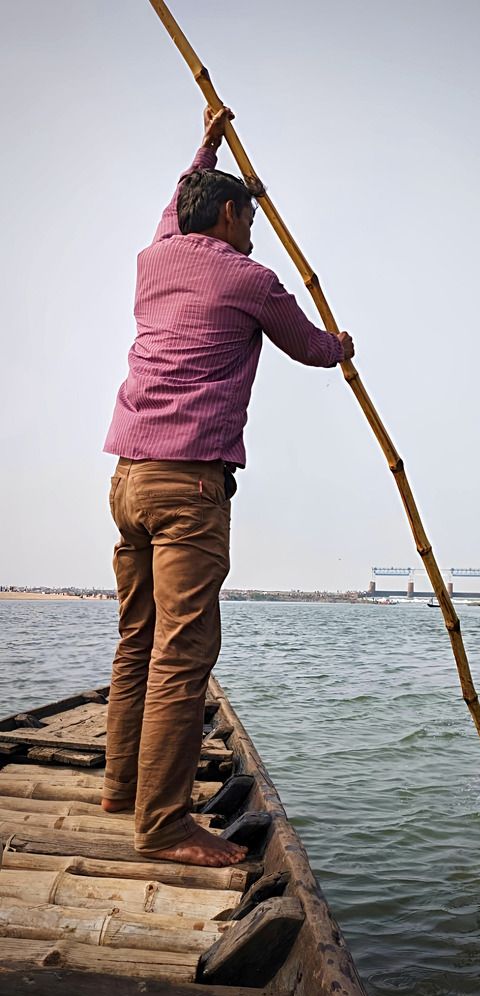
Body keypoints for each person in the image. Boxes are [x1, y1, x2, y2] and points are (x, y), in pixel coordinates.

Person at [101, 108, 354, 866]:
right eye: (248, 216)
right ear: (230, 213)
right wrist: (343, 345)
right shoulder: (249, 277)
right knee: (182, 656)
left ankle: (122, 789)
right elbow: (310, 348)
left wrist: (207, 142)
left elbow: (179, 194)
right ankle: (164, 826)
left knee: (137, 641)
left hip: (127, 480)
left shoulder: (157, 255)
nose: (254, 231)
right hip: (187, 489)